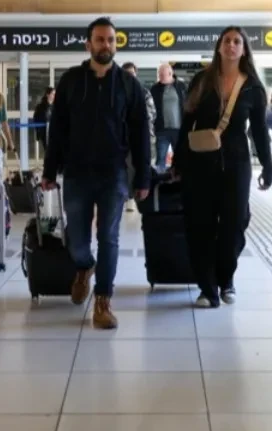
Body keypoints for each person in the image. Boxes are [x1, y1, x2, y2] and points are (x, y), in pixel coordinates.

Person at [42, 18, 151, 330]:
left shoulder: (129, 86)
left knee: (109, 237)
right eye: (100, 40)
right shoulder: (72, 81)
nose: (107, 45)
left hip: (113, 174)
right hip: (76, 172)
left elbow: (142, 134)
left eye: (112, 40)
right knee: (77, 237)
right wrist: (50, 170)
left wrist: (143, 177)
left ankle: (103, 300)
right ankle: (83, 266)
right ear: (88, 44)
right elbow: (58, 129)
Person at [174, 27, 272, 308]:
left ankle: (226, 277)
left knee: (235, 222)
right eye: (227, 41)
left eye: (237, 41)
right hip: (199, 162)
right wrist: (179, 160)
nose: (231, 45)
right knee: (200, 224)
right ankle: (208, 287)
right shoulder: (202, 80)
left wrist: (268, 166)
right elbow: (186, 123)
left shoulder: (253, 87)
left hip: (237, 161)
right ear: (219, 47)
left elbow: (259, 131)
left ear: (243, 49)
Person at [122, 61, 157, 212]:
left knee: (142, 167)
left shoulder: (144, 92)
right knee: (128, 169)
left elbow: (151, 115)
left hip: (143, 138)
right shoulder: (117, 93)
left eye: (132, 74)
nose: (130, 77)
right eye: (127, 74)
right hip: (124, 140)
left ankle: (140, 197)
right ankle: (129, 198)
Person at [149, 63, 187, 172]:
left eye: (162, 74)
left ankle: (179, 183)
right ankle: (159, 183)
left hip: (178, 130)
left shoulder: (181, 86)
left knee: (180, 159)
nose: (160, 77)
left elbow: (188, 104)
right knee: (160, 159)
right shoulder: (155, 89)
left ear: (170, 74)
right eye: (159, 74)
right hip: (162, 130)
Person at [32, 87, 55, 154]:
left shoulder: (56, 106)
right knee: (48, 150)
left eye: (54, 94)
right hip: (45, 132)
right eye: (53, 94)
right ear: (47, 95)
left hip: (54, 132)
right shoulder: (40, 107)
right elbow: (36, 118)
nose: (54, 96)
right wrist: (39, 130)